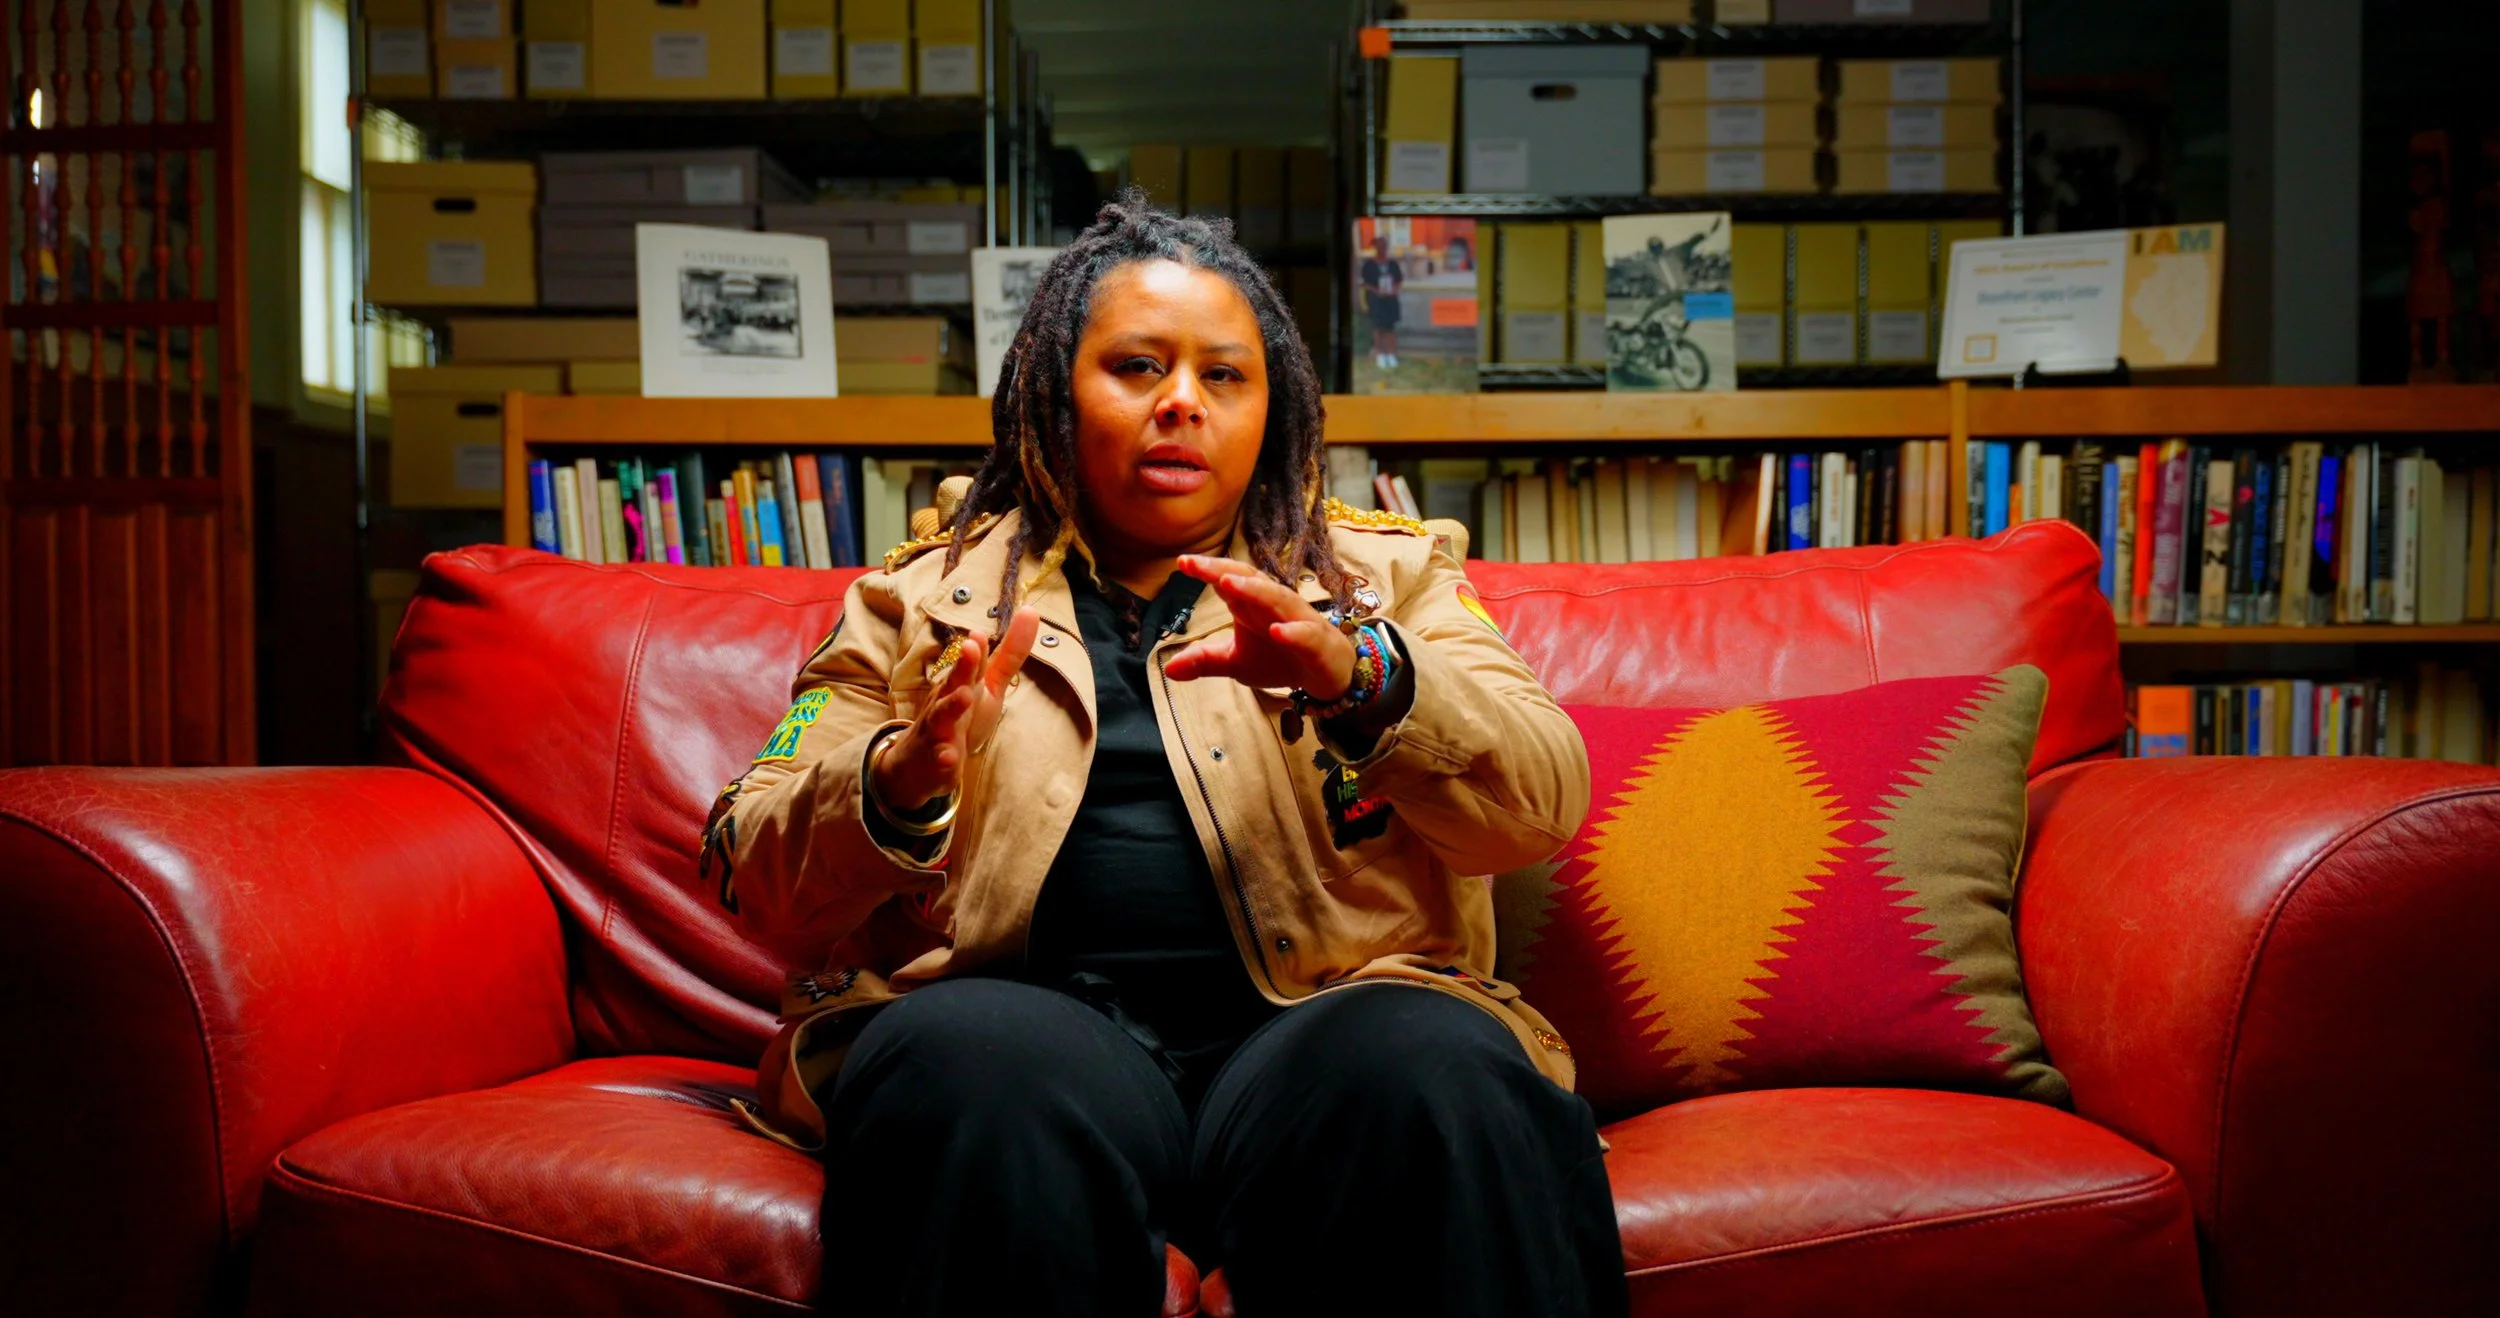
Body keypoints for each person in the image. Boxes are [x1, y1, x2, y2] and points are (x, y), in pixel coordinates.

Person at [701, 193, 1621, 1318]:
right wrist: (896, 782)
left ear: (1269, 405)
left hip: (1322, 1039)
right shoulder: (917, 599)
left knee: (1434, 1066)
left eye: (1223, 376)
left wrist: (1360, 676)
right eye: (1137, 366)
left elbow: (1538, 803)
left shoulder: (1391, 577)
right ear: (1055, 390)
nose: (1181, 402)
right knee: (961, 1059)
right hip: (1033, 1030)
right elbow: (754, 870)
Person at [1359, 233, 1404, 370]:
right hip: (1376, 300)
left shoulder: (1393, 263)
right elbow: (1364, 283)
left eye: (1384, 246)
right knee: (1378, 328)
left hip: (1390, 300)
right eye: (1379, 246)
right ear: (1375, 247)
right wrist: (1376, 290)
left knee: (1390, 328)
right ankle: (1380, 355)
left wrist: (1395, 289)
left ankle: (1391, 355)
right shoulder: (1369, 265)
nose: (1382, 249)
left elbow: (1399, 280)